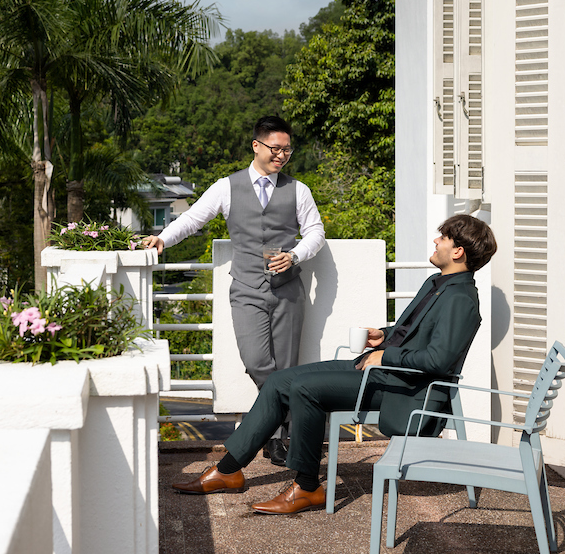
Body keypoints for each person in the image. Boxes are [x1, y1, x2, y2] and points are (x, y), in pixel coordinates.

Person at [170, 213, 497, 515]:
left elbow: (438, 361)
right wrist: (383, 336)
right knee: (280, 380)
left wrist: (386, 356)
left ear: (458, 252)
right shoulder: (436, 285)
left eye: (443, 238)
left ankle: (307, 486)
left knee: (305, 389)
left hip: (403, 388)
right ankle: (228, 470)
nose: (436, 241)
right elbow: (411, 334)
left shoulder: (461, 300)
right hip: (383, 372)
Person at [144, 115, 325, 466]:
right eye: (276, 148)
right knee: (257, 361)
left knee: (286, 366)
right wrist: (162, 238)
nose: (282, 155)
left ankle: (276, 439)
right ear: (256, 145)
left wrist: (295, 254)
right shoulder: (227, 187)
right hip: (246, 289)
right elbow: (193, 218)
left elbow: (315, 232)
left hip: (288, 291)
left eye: (287, 149)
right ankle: (295, 424)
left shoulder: (298, 190)